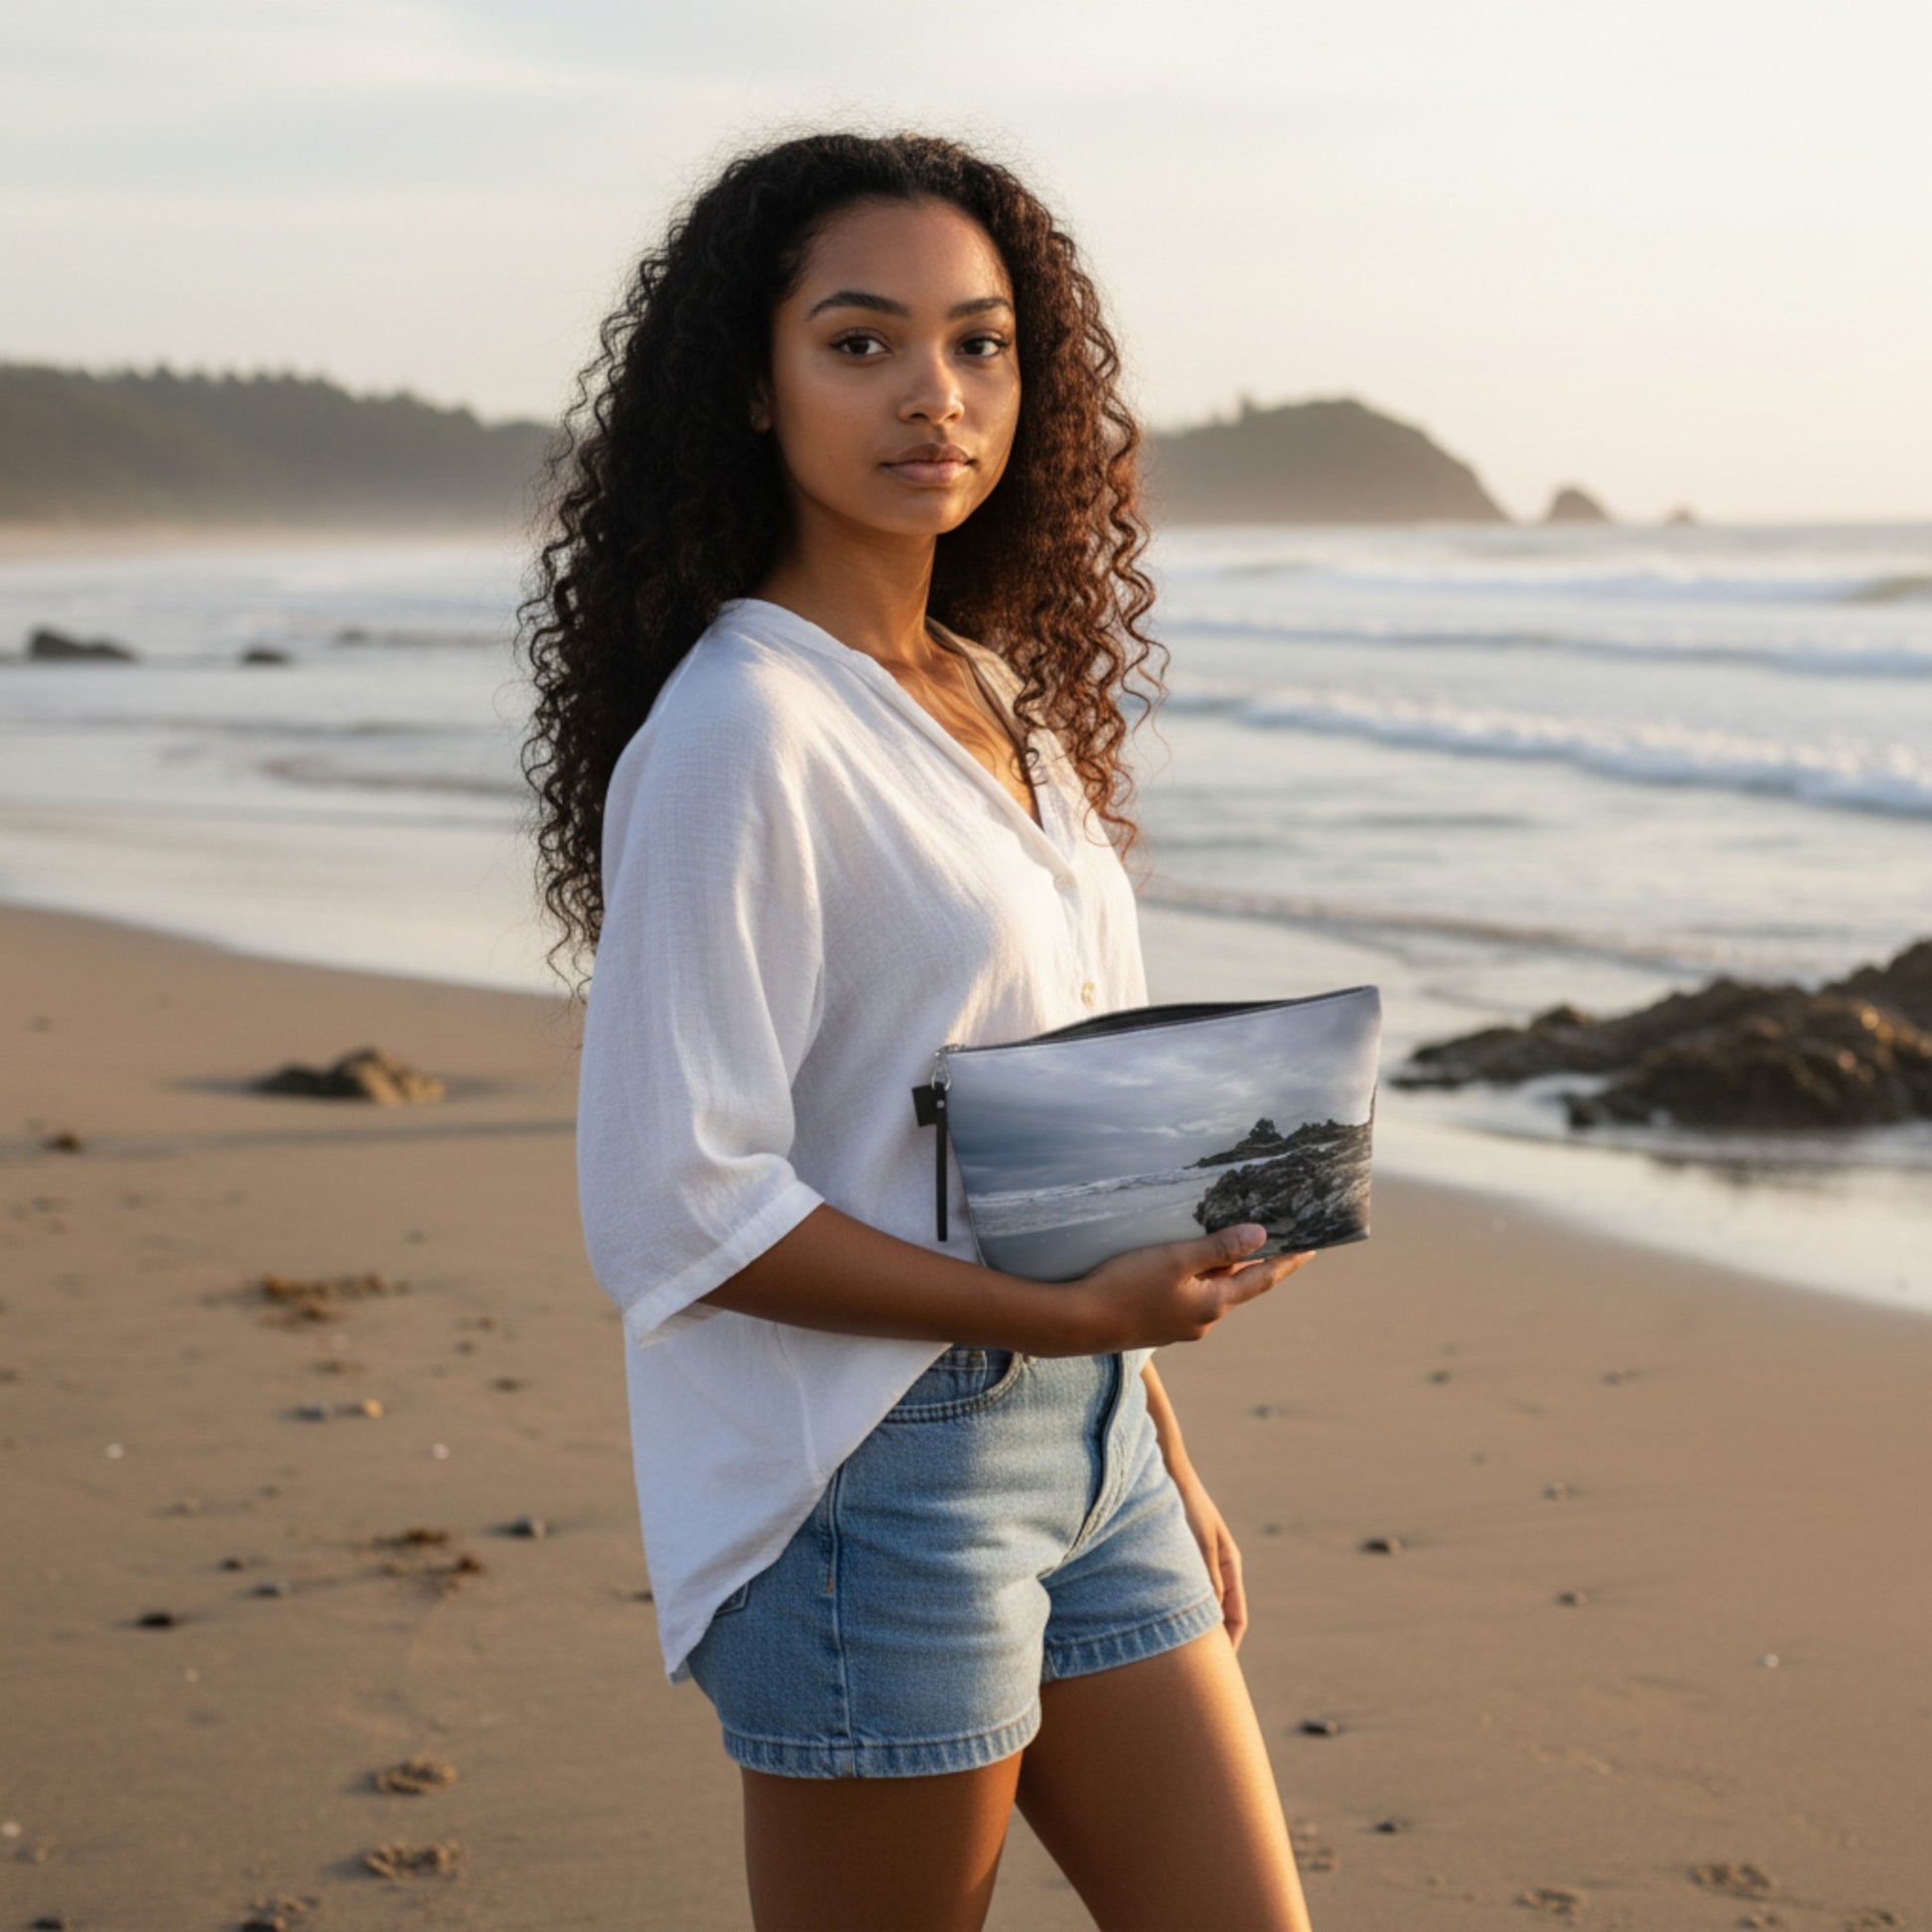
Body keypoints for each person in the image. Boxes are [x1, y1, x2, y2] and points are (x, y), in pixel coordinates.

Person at [519, 128, 1318, 1932]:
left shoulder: (997, 693)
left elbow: (1062, 1120)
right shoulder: (742, 731)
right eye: (861, 341)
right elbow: (673, 1205)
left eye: (979, 345)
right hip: (870, 1473)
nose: (932, 396)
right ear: (752, 380)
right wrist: (1055, 1320)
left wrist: (1149, 1419)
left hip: (1093, 1432)